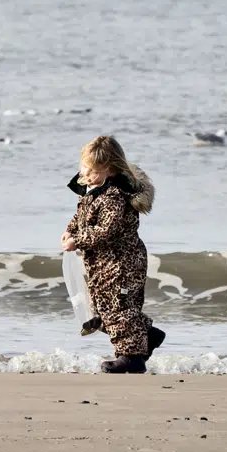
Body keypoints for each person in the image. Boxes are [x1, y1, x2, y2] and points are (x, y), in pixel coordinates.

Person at [60, 136, 165, 374]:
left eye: (93, 170)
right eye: (84, 167)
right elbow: (81, 216)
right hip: (102, 264)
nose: (86, 173)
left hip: (123, 262)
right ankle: (147, 335)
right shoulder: (90, 189)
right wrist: (70, 230)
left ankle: (132, 358)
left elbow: (106, 230)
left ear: (110, 169)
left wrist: (78, 240)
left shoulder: (114, 196)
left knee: (120, 308)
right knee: (101, 309)